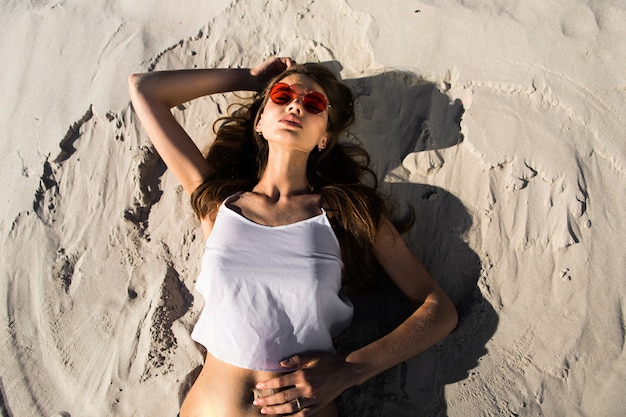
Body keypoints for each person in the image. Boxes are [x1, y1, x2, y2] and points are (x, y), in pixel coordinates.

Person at [128, 57, 458, 417]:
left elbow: (438, 310)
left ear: (325, 136)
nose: (296, 104)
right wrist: (251, 78)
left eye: (314, 103)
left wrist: (351, 370)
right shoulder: (218, 204)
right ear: (259, 119)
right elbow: (146, 89)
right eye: (283, 95)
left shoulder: (349, 212)